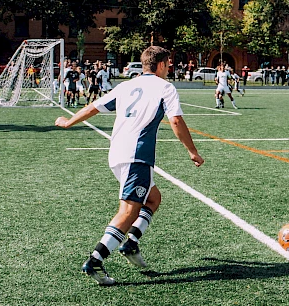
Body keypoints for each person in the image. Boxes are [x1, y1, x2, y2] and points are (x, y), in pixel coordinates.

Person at [55, 46, 204, 286]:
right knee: (128, 211)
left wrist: (69, 121)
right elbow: (175, 119)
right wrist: (192, 151)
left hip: (117, 152)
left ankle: (131, 243)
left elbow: (94, 107)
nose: (170, 68)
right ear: (162, 64)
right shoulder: (165, 87)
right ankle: (95, 260)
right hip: (137, 155)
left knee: (153, 199)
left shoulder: (125, 86)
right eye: (169, 63)